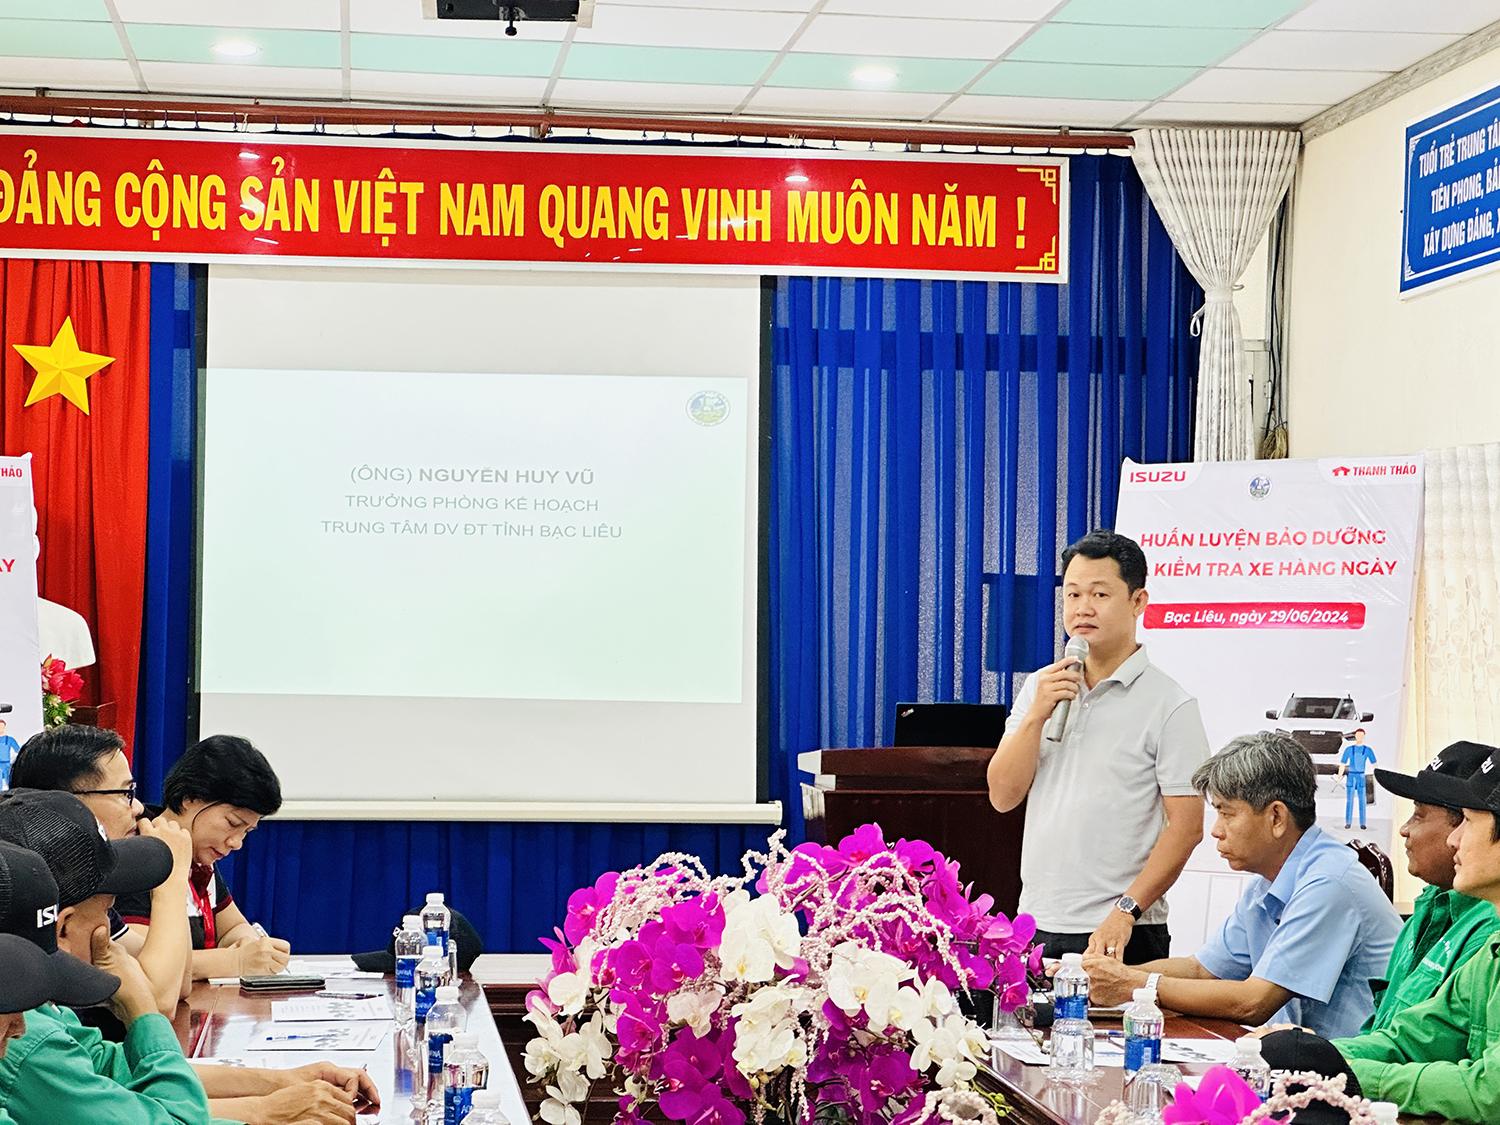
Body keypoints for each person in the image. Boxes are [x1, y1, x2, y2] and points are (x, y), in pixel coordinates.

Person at [0, 789, 377, 1125]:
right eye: (107, 909)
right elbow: (173, 1118)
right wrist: (142, 1010)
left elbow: (117, 1074)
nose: (137, 808)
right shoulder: (25, 1033)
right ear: (62, 927)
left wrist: (281, 1082)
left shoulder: (42, 1011)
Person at [1083, 731, 1400, 1039]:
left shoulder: (1328, 883)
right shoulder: (1268, 883)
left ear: (1276, 817)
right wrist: (1095, 976)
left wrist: (1132, 985)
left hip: (1352, 1066)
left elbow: (1254, 1002)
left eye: (1227, 814)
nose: (1216, 831)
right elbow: (1201, 970)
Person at [986, 529, 1210, 962]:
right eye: (1072, 594)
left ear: (1138, 601)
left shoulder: (1170, 704)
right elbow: (1002, 795)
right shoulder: (1041, 687)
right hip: (1037, 920)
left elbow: (1187, 828)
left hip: (1123, 930)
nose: (1082, 608)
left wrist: (1125, 911)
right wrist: (1036, 716)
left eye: (1100, 594)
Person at [1321, 741, 1500, 1121]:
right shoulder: (1491, 951)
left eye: (1469, 822)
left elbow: (1491, 1093)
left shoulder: (1486, 926)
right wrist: (1312, 1059)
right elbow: (1414, 1037)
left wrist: (1346, 1075)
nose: (1454, 840)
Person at [11, 725, 195, 1013]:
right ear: (70, 801)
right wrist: (172, 881)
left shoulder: (90, 879)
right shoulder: (41, 886)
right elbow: (157, 1002)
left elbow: (179, 981)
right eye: (126, 793)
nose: (138, 808)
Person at [117, 735, 290, 981]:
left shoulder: (198, 854)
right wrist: (236, 961)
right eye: (233, 823)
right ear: (190, 798)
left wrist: (248, 945)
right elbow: (142, 963)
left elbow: (232, 927)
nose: (237, 843)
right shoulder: (140, 854)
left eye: (246, 832)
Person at [1358, 741, 1500, 1033]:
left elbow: (1440, 1048)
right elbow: (1394, 1036)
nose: (1404, 829)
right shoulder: (1427, 909)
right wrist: (1325, 1053)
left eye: (1419, 815)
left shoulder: (1488, 927)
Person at [1339, 728, 1377, 830]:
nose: (1359, 737)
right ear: (1355, 736)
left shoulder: (1368, 750)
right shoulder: (1349, 749)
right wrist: (1339, 776)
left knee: (1362, 800)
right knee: (1349, 800)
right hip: (1351, 776)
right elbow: (1342, 764)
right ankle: (1348, 823)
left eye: (1361, 735)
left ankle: (1362, 823)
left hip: (1361, 776)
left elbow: (1374, 764)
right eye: (1358, 735)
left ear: (1364, 736)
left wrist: (1377, 776)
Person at [0, 720, 19, 791]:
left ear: (4, 727)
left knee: (9, 782)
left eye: (2, 726)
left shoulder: (10, 739)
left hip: (7, 764)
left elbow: (18, 750)